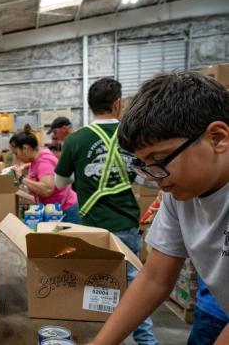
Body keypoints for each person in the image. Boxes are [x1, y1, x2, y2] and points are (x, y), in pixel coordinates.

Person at [89, 72, 229, 344]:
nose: (153, 177)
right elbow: (154, 278)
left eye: (160, 159)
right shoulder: (179, 194)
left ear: (217, 138)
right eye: (144, 164)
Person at [54, 78, 158, 345]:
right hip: (125, 223)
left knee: (95, 289)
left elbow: (59, 183)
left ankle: (100, 337)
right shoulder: (134, 136)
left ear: (90, 106)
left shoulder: (75, 140)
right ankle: (147, 341)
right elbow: (149, 178)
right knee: (136, 288)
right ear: (117, 103)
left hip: (91, 228)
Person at [9, 124, 79, 222]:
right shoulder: (37, 158)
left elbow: (47, 189)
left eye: (16, 153)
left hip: (66, 212)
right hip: (55, 212)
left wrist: (22, 178)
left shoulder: (44, 162)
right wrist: (26, 166)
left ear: (25, 148)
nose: (16, 157)